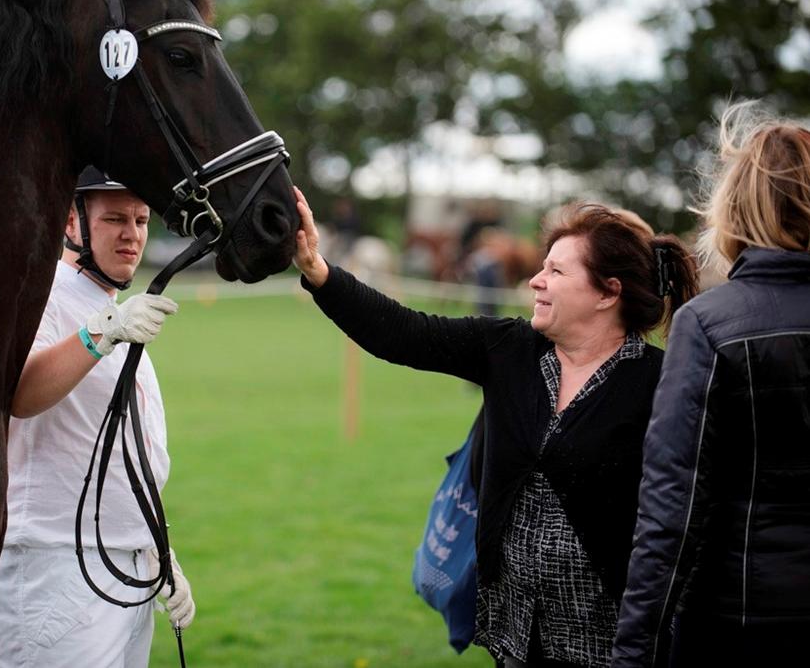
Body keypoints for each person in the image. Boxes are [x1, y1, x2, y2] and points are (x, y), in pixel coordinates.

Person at [293, 187, 699, 668]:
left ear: (608, 292)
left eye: (556, 271)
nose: (535, 281)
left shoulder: (662, 383)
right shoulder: (508, 348)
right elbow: (403, 333)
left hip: (611, 642)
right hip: (516, 633)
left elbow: (685, 521)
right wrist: (319, 272)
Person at [0, 167, 194, 668]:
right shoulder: (41, 291)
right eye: (114, 218)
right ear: (71, 221)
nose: (132, 234)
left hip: (122, 563)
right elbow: (20, 393)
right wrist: (101, 333)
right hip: (53, 570)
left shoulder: (108, 305)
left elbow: (121, 450)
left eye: (140, 220)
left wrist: (156, 545)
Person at [611, 103, 810, 667]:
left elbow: (671, 508)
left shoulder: (711, 323)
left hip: (738, 622)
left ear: (737, 204)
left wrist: (634, 654)